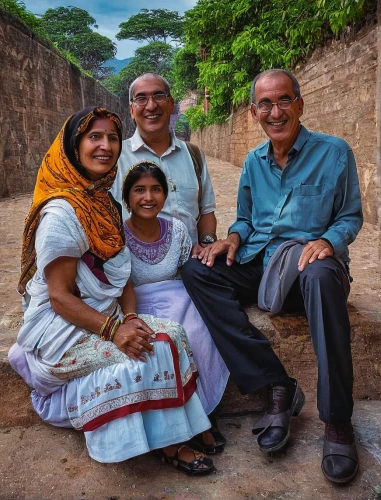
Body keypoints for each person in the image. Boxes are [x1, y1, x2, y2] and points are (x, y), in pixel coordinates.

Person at [8, 106, 215, 475]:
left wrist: (130, 317)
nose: (106, 146)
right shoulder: (60, 212)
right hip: (62, 330)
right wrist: (115, 330)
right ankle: (165, 443)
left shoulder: (103, 202)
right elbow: (59, 297)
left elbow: (121, 279)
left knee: (176, 335)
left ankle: (182, 429)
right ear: (74, 146)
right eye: (94, 137)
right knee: (152, 351)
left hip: (103, 315)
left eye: (113, 138)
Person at [182, 69, 363, 484]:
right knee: (197, 269)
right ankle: (277, 385)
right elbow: (246, 219)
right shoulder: (252, 162)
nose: (275, 112)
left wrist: (329, 242)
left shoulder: (334, 152)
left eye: (283, 101)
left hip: (313, 271)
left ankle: (337, 422)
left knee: (318, 274)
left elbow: (351, 215)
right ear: (253, 113)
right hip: (263, 262)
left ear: (299, 104)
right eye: (264, 104)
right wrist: (230, 238)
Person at [121, 160, 229, 453]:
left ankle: (205, 412)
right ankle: (180, 422)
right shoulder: (116, 235)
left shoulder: (178, 230)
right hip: (136, 303)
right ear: (127, 197)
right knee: (160, 347)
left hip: (178, 297)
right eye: (139, 190)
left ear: (165, 196)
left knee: (197, 333)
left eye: (156, 189)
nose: (148, 197)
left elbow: (188, 270)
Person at [111, 72, 217, 253]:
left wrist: (207, 244)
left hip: (189, 272)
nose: (151, 106)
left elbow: (206, 210)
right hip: (135, 274)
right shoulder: (116, 158)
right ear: (131, 110)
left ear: (170, 104)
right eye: (141, 98)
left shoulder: (194, 155)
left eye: (159, 96)